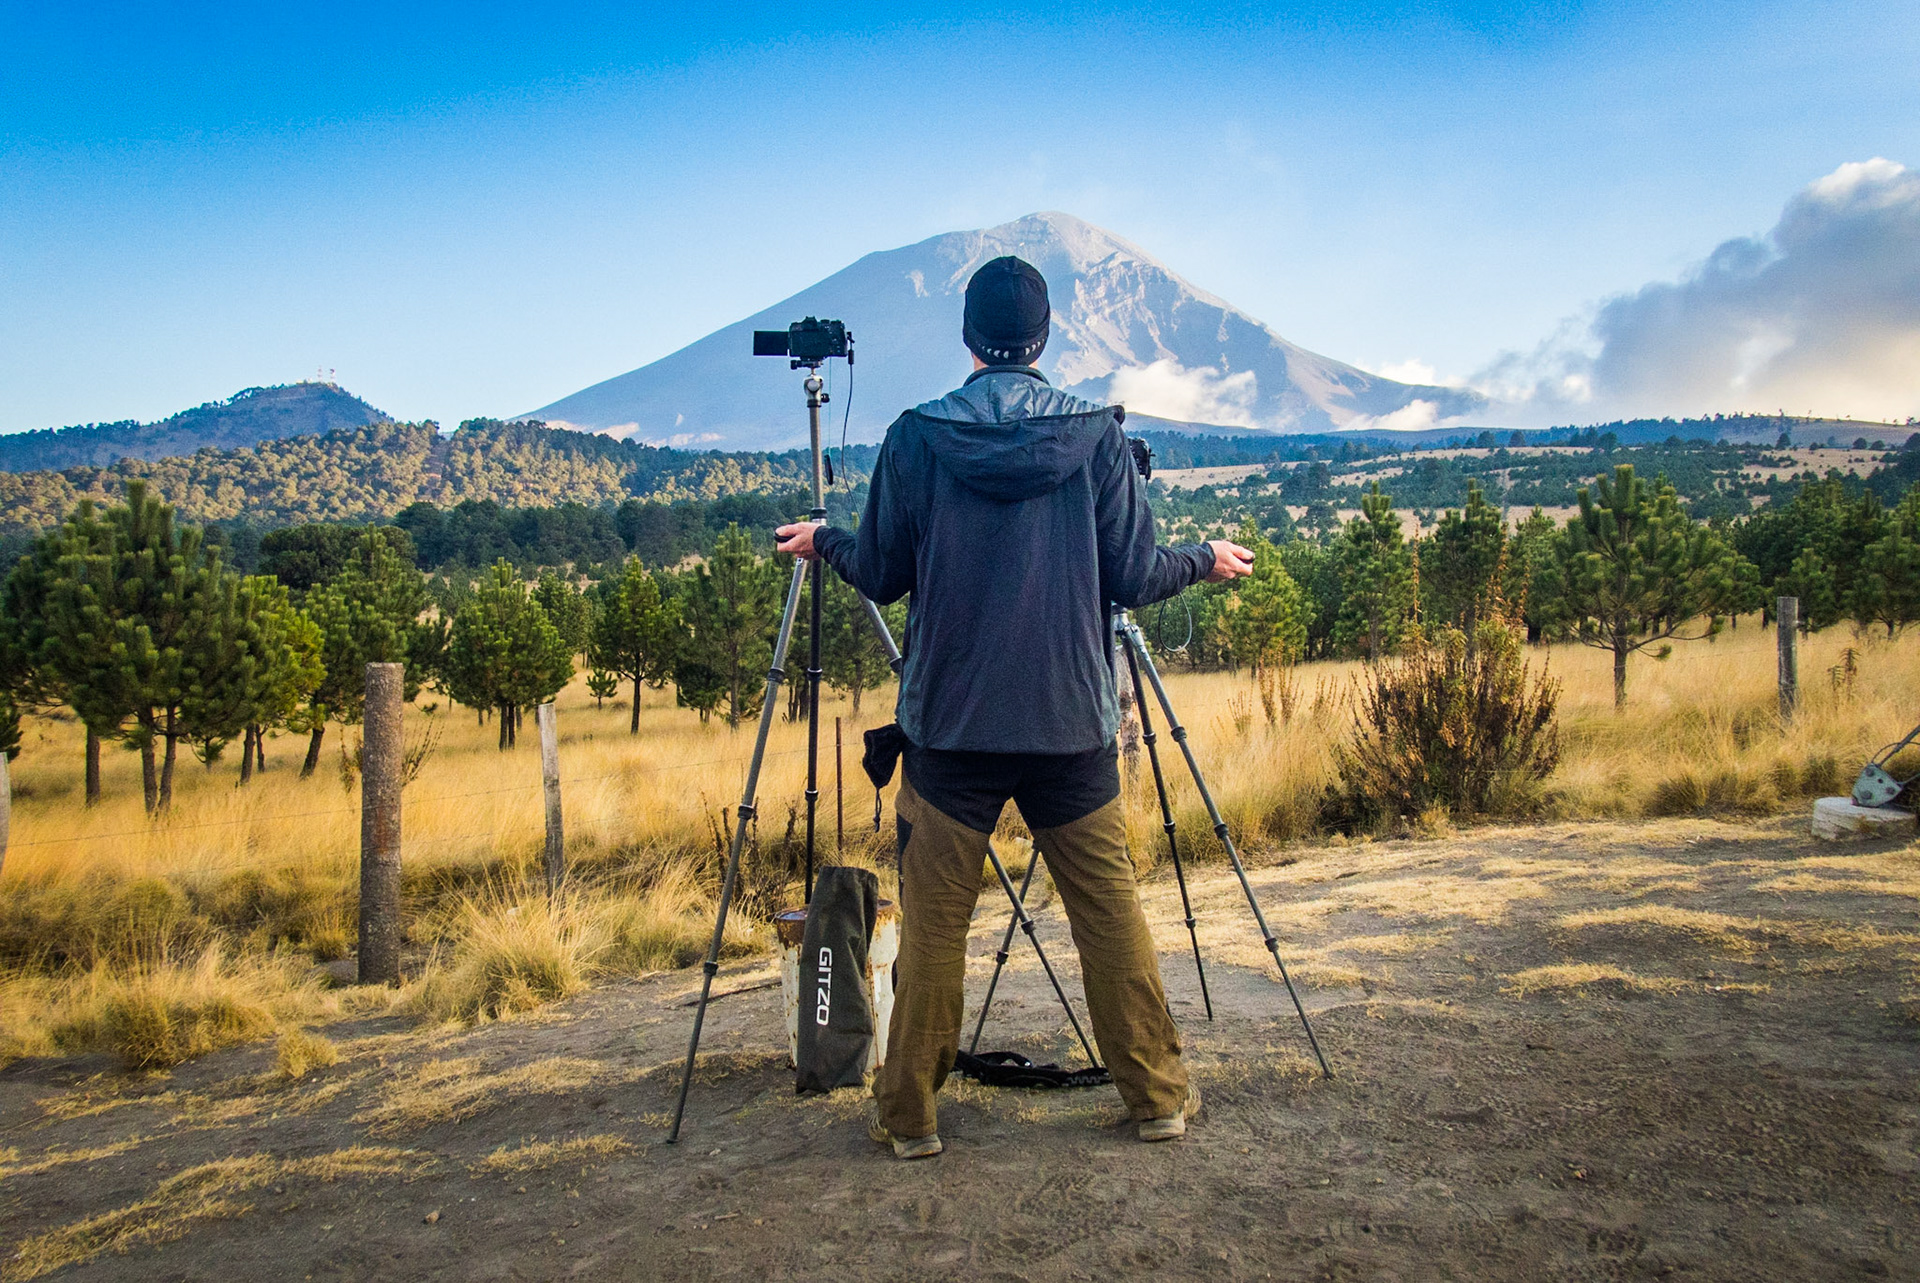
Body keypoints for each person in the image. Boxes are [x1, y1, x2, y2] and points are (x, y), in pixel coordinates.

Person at [776, 255, 1253, 1160]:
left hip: (951, 734)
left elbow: (879, 570)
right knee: (1110, 915)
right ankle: (1156, 1096)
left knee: (935, 932)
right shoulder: (1099, 438)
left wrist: (825, 540)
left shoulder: (917, 437)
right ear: (1042, 339)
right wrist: (1205, 558)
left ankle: (910, 1116)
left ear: (967, 337)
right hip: (1071, 727)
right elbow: (1136, 574)